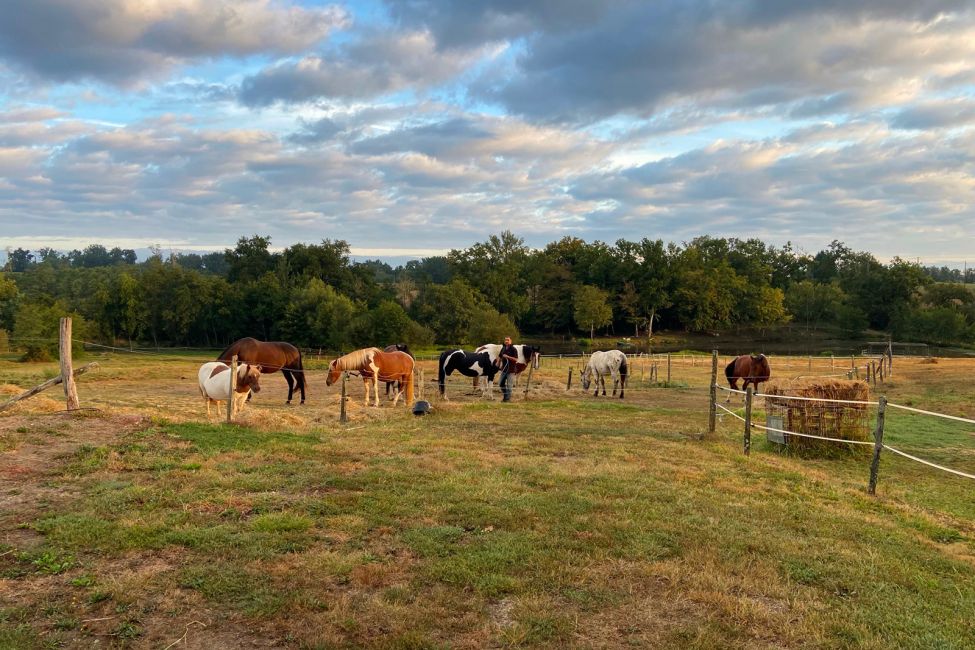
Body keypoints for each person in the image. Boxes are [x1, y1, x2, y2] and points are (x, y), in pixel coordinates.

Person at [498, 336, 519, 402]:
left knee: (509, 386)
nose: (506, 341)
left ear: (510, 341)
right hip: (504, 369)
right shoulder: (503, 348)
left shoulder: (513, 349)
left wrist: (508, 357)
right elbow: (500, 356)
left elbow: (516, 359)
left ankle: (507, 399)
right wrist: (498, 363)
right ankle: (506, 395)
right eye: (505, 340)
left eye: (508, 340)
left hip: (511, 370)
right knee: (500, 383)